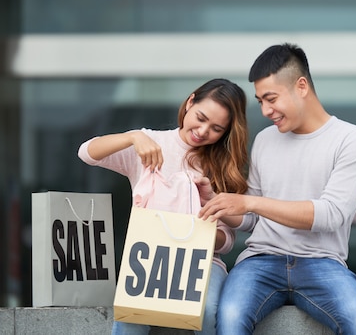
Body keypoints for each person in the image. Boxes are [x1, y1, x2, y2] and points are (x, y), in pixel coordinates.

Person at [197, 44, 356, 334]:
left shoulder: (353, 141)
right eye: (260, 101)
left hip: (322, 262)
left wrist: (251, 204)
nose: (266, 111)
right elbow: (251, 219)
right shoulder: (266, 140)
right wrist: (219, 203)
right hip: (260, 261)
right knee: (229, 319)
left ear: (301, 86)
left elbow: (329, 215)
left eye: (271, 99)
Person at [77, 78, 249, 335]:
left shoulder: (222, 164)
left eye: (216, 128)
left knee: (209, 310)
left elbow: (226, 242)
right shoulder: (150, 144)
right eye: (200, 118)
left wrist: (199, 228)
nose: (202, 131)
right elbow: (87, 152)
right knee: (129, 317)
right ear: (190, 102)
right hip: (150, 258)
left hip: (202, 262)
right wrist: (134, 137)